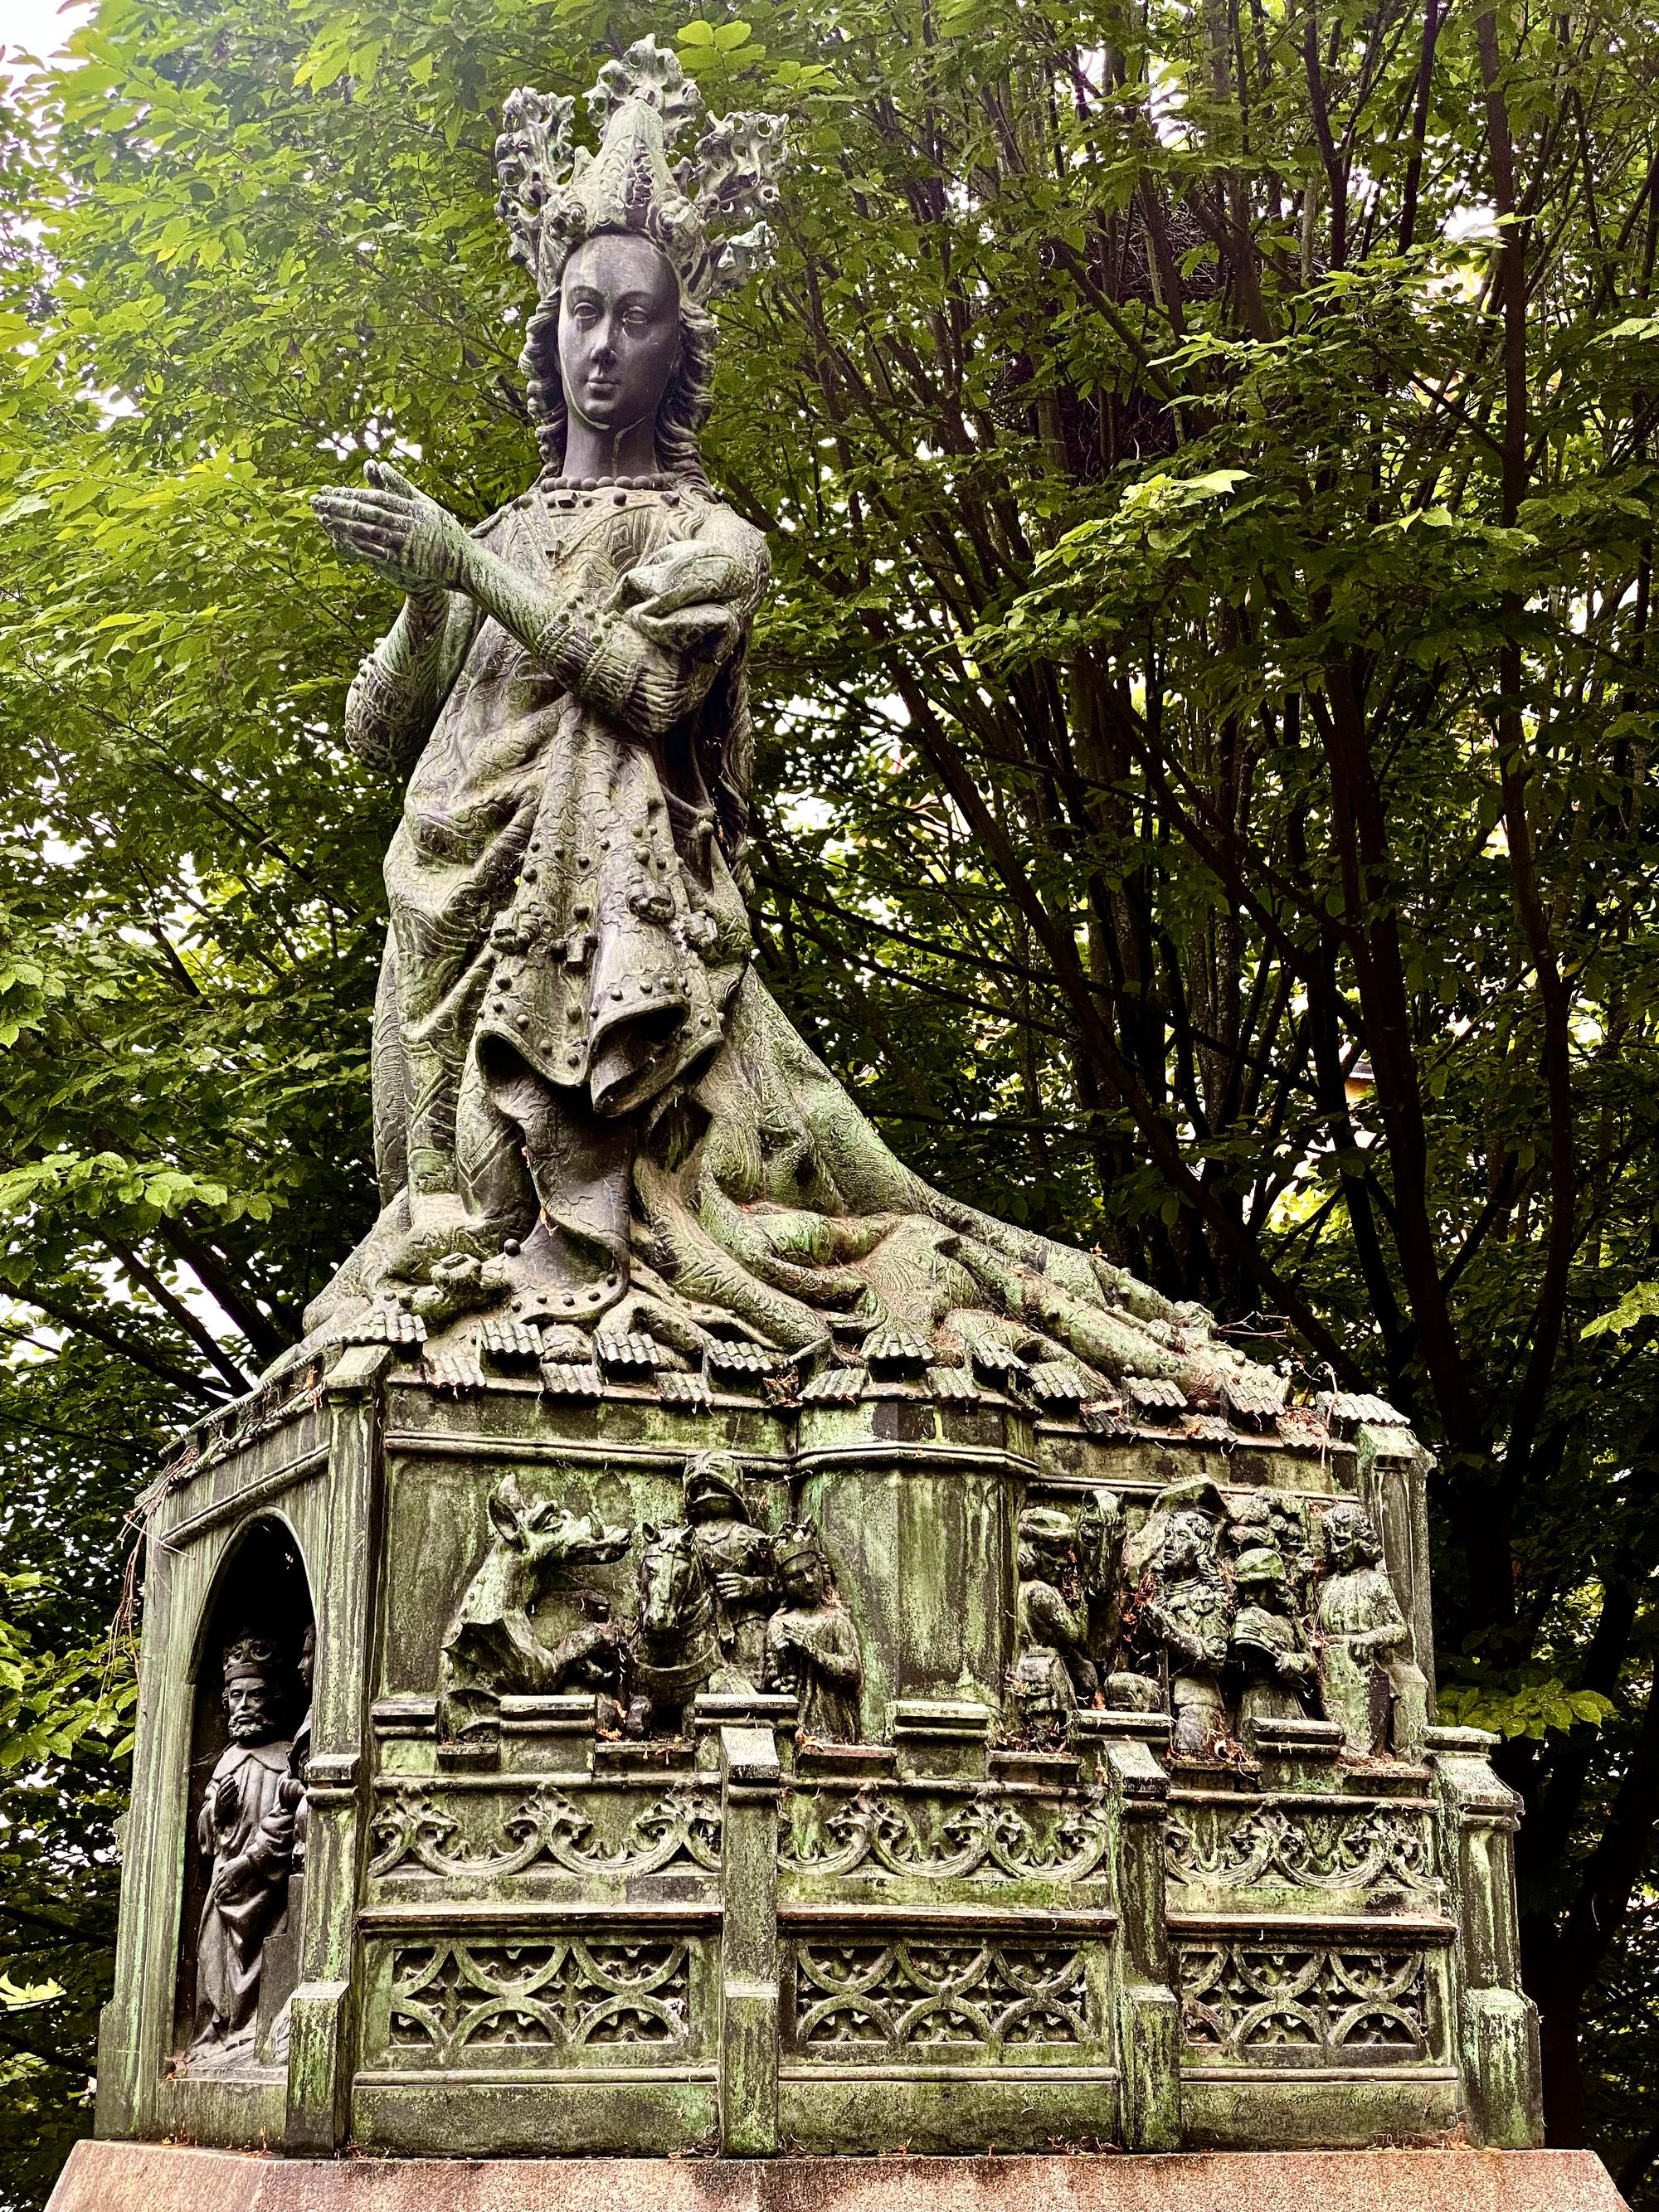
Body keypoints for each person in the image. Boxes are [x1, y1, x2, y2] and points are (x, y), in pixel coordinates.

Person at [299, 43, 1238, 1395]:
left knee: (541, 1187)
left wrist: (463, 565)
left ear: (678, 347)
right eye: (581, 312)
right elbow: (377, 736)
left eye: (636, 318)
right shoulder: (492, 533)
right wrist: (420, 591)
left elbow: (649, 691)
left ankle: (606, 1289)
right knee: (434, 1206)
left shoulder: (713, 538)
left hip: (594, 910)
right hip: (440, 894)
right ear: (548, 332)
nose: (602, 345)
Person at [190, 1637, 303, 2063]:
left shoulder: (288, 1757)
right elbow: (207, 1830)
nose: (244, 1705)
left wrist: (250, 1862)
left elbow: (287, 1818)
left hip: (264, 1887)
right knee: (210, 1951)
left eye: (256, 1695)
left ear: (276, 1700)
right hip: (225, 1882)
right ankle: (219, 2031)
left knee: (263, 1951)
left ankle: (253, 2031)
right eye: (236, 1696)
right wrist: (216, 1811)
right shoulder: (227, 1760)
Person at [1316, 1501, 1429, 1759]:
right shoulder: (1325, 1586)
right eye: (1331, 1543)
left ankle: (1369, 1750)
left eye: (1342, 1542)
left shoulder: (1375, 1583)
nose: (1336, 1550)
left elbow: (1399, 1628)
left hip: (1367, 1670)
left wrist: (1370, 1638)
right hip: (1333, 1673)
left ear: (1361, 1543)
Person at [682, 1452, 776, 1685]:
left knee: (748, 1692)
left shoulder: (750, 1537)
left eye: (714, 1486)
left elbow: (782, 1585)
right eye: (700, 1489)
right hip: (700, 1631)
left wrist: (751, 1586)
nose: (707, 1494)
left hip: (746, 1627)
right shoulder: (686, 1540)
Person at [763, 1524, 863, 1743]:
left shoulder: (836, 1619)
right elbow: (772, 1684)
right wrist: (779, 1669)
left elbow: (854, 1671)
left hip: (837, 1726)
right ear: (783, 1584)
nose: (808, 1581)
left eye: (812, 1570)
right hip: (794, 1728)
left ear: (821, 1568)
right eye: (797, 1576)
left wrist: (813, 1652)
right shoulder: (779, 1624)